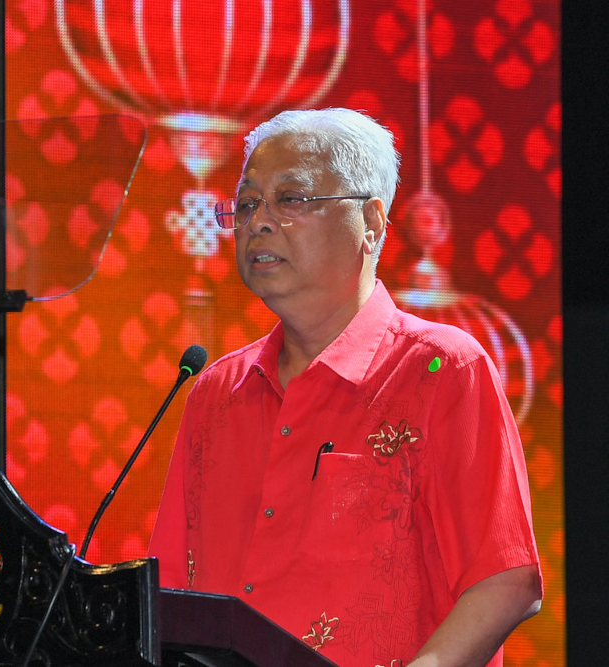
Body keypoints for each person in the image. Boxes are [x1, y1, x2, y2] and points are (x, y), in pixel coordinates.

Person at [148, 108, 542, 667]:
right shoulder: (216, 391)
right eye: (247, 203)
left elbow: (507, 579)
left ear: (373, 222)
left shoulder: (441, 370)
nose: (258, 221)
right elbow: (169, 602)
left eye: (291, 199)